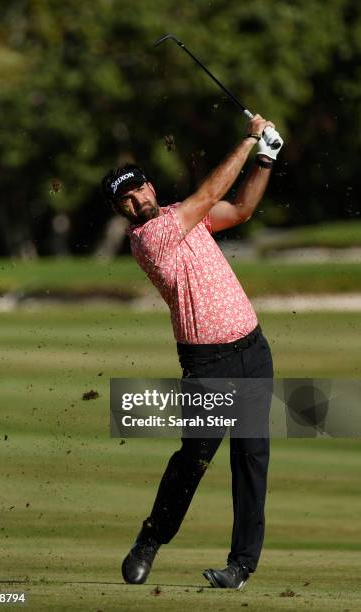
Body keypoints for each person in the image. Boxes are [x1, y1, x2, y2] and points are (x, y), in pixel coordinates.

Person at [101, 115, 283, 589]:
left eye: (138, 189)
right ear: (122, 211)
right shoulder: (148, 240)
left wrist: (266, 158)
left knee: (251, 457)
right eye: (126, 199)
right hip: (209, 363)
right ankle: (150, 539)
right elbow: (206, 197)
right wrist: (248, 140)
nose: (136, 199)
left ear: (150, 187)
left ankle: (241, 566)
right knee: (195, 458)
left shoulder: (184, 216)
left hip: (253, 351)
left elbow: (240, 210)